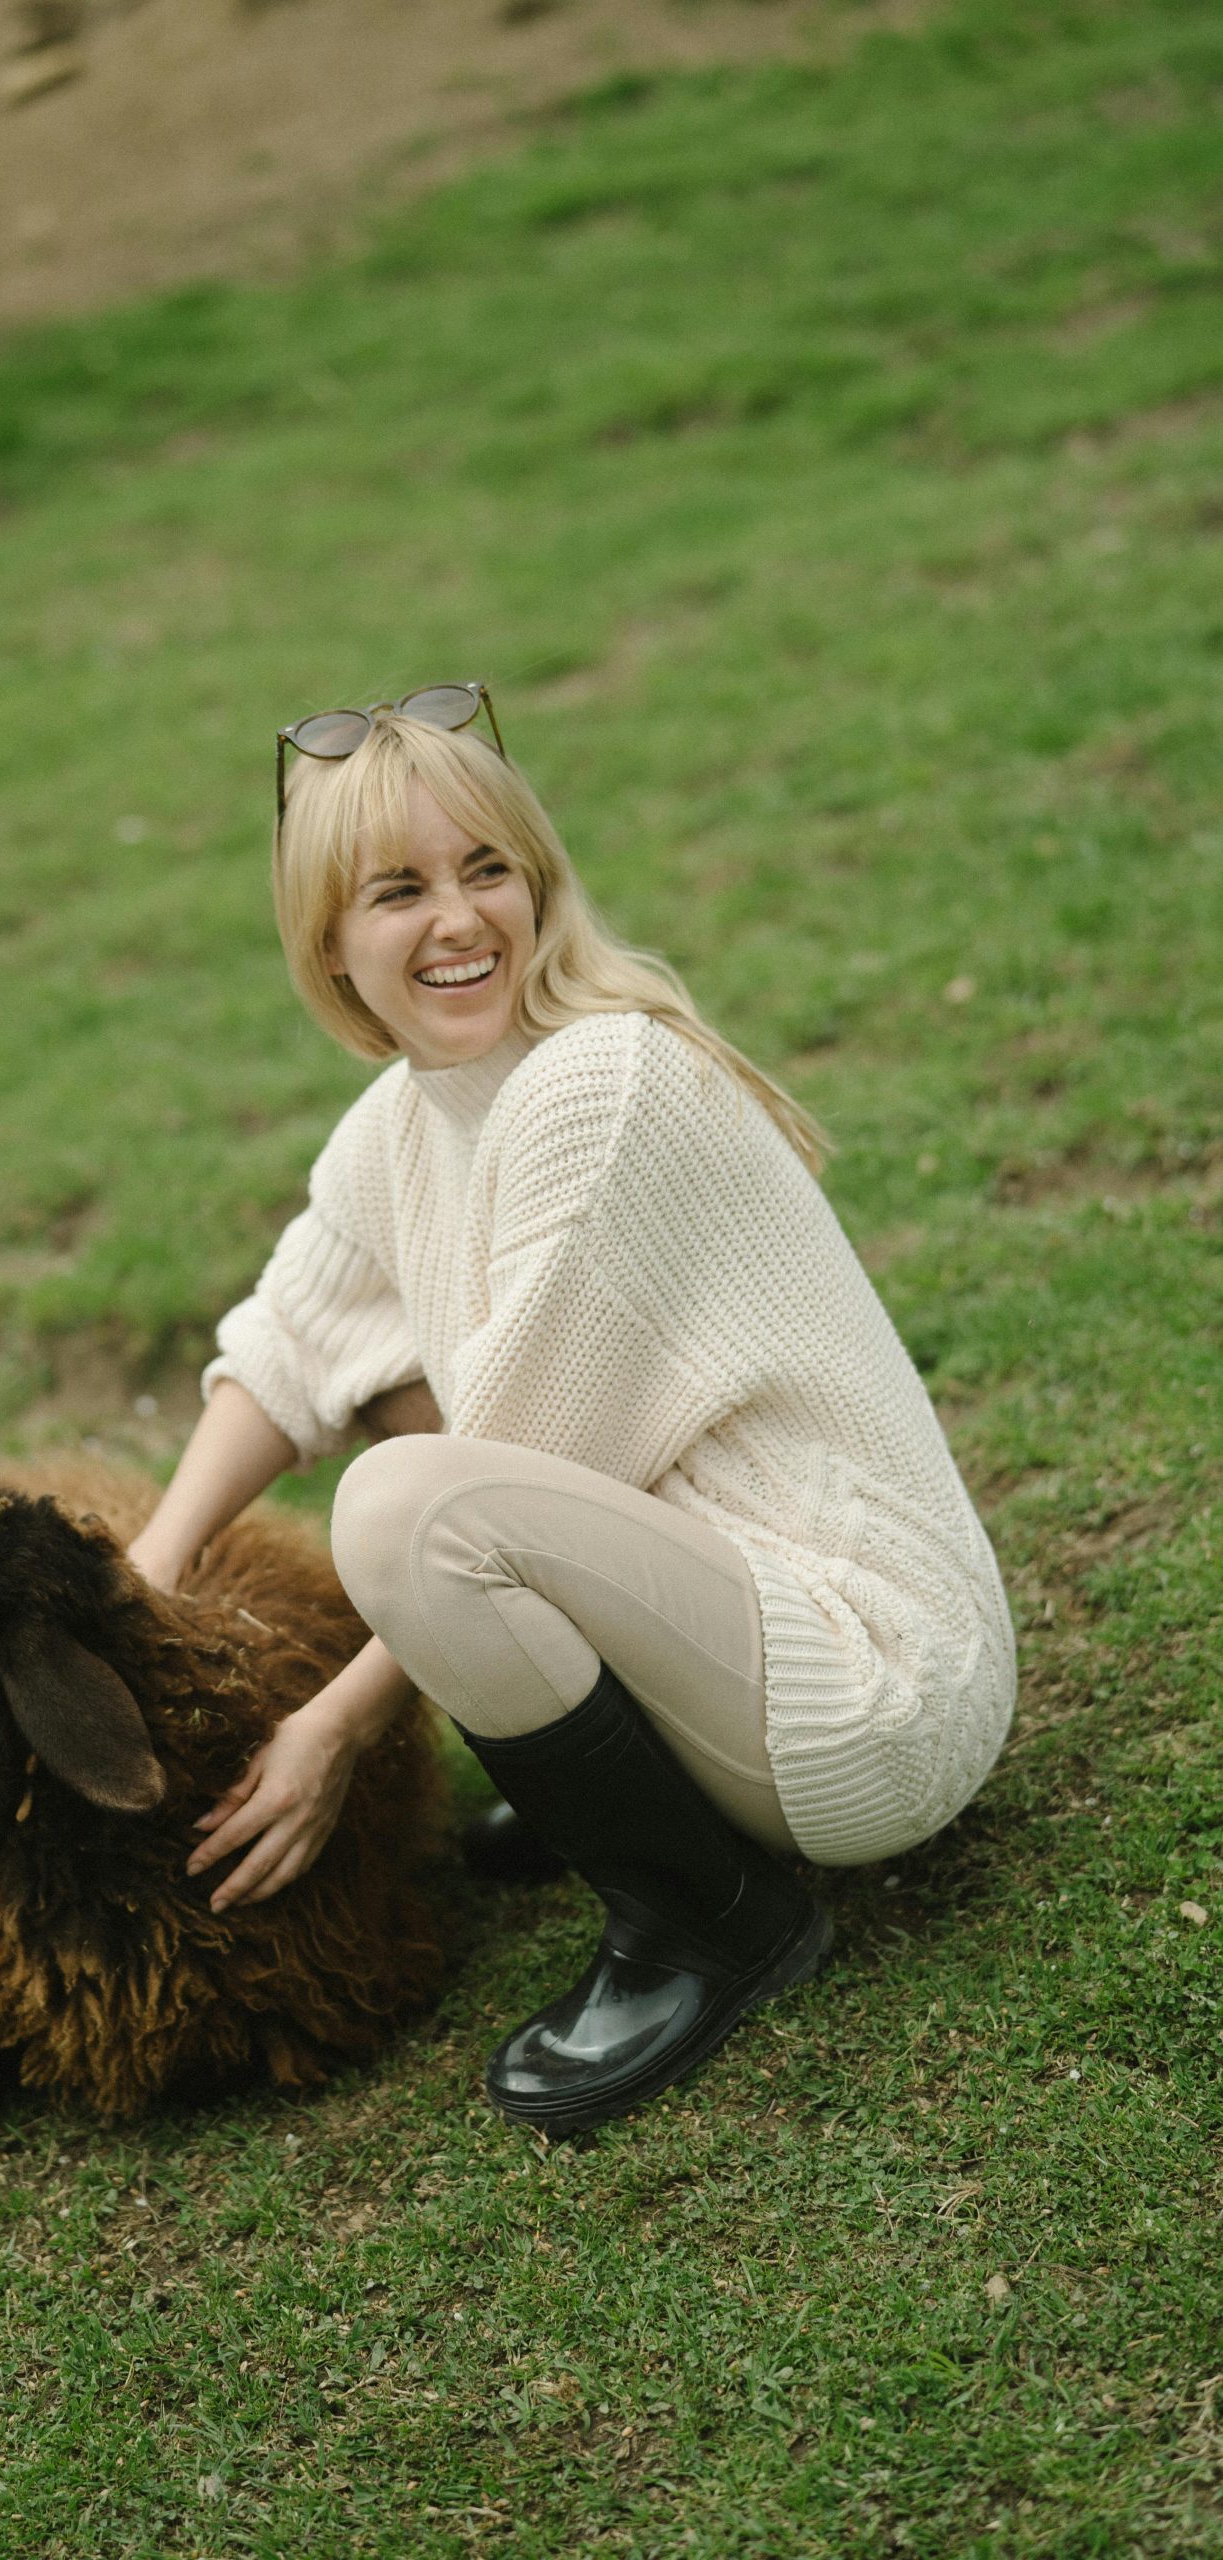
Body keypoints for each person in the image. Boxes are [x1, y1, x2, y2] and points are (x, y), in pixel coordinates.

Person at [125, 683, 1016, 2137]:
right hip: (745, 1657)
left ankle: (711, 1924)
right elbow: (285, 1349)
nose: (459, 919)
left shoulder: (597, 1085)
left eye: (489, 869)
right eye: (400, 890)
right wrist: (140, 1580)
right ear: (331, 947)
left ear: (539, 882)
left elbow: (501, 1487)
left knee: (404, 1501)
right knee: (405, 1462)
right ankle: (635, 1803)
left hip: (871, 1695)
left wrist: (332, 1734)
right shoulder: (412, 1119)